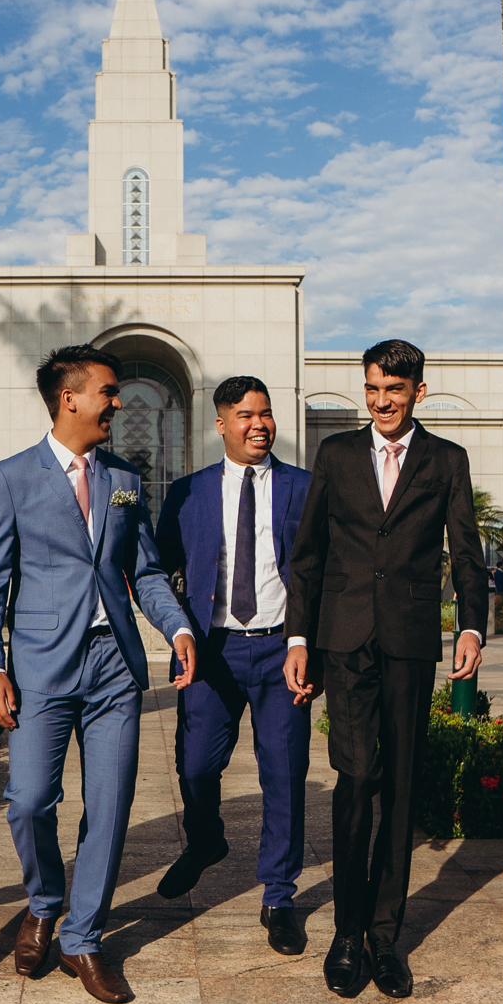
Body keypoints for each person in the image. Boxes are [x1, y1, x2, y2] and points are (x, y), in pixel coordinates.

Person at [0, 346, 195, 1004]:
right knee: (30, 801)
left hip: (114, 670)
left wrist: (176, 626)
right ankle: (43, 900)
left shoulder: (124, 477)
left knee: (110, 806)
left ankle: (84, 938)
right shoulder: (10, 477)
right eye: (107, 391)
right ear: (70, 397)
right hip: (41, 667)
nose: (118, 402)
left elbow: (146, 571)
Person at [284, 338, 488, 1001]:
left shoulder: (446, 460)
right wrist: (298, 639)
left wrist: (471, 626)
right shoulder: (337, 454)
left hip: (407, 641)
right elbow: (308, 553)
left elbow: (466, 551)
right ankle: (346, 933)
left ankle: (384, 936)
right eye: (372, 390)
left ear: (417, 392)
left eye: (394, 391)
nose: (381, 402)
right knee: (356, 777)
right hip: (344, 640)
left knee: (399, 785)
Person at [155, 376, 312, 955]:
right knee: (195, 765)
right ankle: (204, 841)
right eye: (245, 415)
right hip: (212, 651)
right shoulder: (188, 493)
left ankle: (279, 894)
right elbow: (159, 570)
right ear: (220, 424)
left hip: (282, 651)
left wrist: (305, 641)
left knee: (284, 774)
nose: (259, 425)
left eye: (266, 414)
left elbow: (317, 573)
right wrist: (178, 631)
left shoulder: (303, 487)